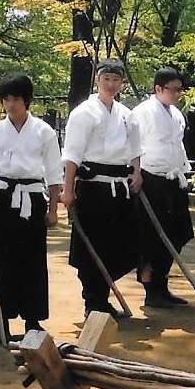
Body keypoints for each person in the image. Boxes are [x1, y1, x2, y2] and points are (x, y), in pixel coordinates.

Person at [0, 73, 65, 340]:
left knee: (33, 262)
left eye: (15, 99)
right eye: (6, 99)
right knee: (2, 262)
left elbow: (53, 173)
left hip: (33, 198)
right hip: (3, 200)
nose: (10, 104)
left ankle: (33, 320)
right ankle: (1, 321)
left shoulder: (43, 131)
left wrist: (52, 210)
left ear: (27, 101)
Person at [61, 59, 143, 318]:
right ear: (98, 80)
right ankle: (94, 302)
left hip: (120, 188)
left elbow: (135, 149)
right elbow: (72, 155)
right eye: (106, 79)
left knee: (122, 246)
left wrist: (138, 173)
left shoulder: (127, 115)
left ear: (121, 83)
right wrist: (68, 189)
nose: (111, 84)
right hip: (92, 189)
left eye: (116, 80)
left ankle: (102, 296)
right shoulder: (83, 113)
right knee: (91, 247)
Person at [132, 66, 194, 309]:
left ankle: (162, 283)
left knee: (178, 232)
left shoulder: (177, 115)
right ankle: (151, 289)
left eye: (180, 90)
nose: (177, 94)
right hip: (150, 179)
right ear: (158, 88)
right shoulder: (142, 113)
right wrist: (135, 175)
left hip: (173, 179)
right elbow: (134, 148)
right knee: (152, 237)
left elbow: (177, 147)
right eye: (173, 90)